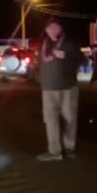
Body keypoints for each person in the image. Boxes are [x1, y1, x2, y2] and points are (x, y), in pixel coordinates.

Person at [37, 19, 84, 161]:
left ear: (60, 29)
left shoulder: (69, 43)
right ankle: (55, 151)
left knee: (70, 119)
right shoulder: (43, 44)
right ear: (46, 30)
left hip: (67, 87)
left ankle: (69, 147)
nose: (53, 30)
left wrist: (67, 56)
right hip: (48, 88)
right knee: (50, 120)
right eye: (50, 27)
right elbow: (40, 63)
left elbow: (82, 59)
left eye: (56, 27)